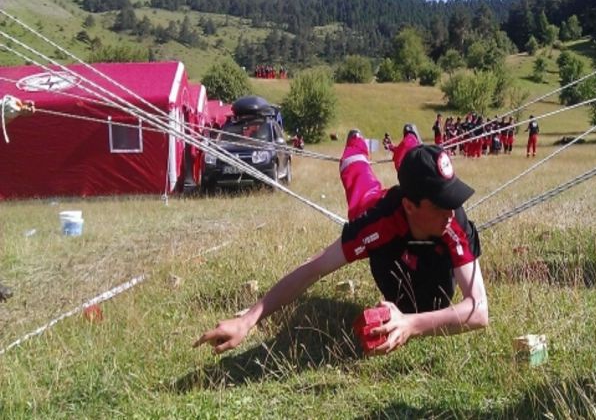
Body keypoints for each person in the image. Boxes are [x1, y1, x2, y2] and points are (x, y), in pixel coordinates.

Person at [195, 125, 488, 355]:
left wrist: (411, 324)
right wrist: (247, 321)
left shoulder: (453, 219)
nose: (451, 212)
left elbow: (478, 312)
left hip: (424, 262)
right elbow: (314, 268)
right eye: (439, 205)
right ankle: (356, 146)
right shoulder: (379, 221)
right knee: (361, 187)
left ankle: (410, 145)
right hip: (384, 217)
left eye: (452, 200)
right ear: (410, 206)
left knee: (431, 303)